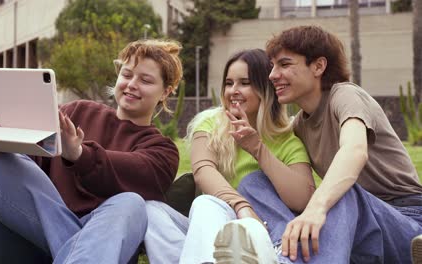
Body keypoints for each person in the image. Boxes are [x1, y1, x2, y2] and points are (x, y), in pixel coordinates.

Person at [0, 39, 182, 264]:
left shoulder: (162, 151)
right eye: (127, 74)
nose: (132, 84)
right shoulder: (76, 112)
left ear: (165, 92)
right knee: (0, 166)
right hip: (33, 241)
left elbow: (126, 172)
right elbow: (24, 168)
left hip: (103, 245)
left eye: (145, 80)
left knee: (130, 203)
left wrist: (79, 155)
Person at [260, 25, 422, 263]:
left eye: (284, 64)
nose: (273, 74)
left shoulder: (345, 96)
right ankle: (275, 247)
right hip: (352, 226)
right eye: (272, 66)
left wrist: (316, 208)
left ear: (318, 66)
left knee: (343, 193)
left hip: (406, 222)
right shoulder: (300, 125)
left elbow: (354, 150)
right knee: (256, 181)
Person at [143, 49, 315, 264]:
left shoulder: (287, 140)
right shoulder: (209, 124)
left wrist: (257, 149)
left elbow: (302, 200)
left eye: (244, 83)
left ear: (266, 88)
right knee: (151, 211)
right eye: (228, 83)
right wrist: (242, 207)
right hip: (210, 226)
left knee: (208, 204)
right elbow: (203, 171)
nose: (233, 91)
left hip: (261, 233)